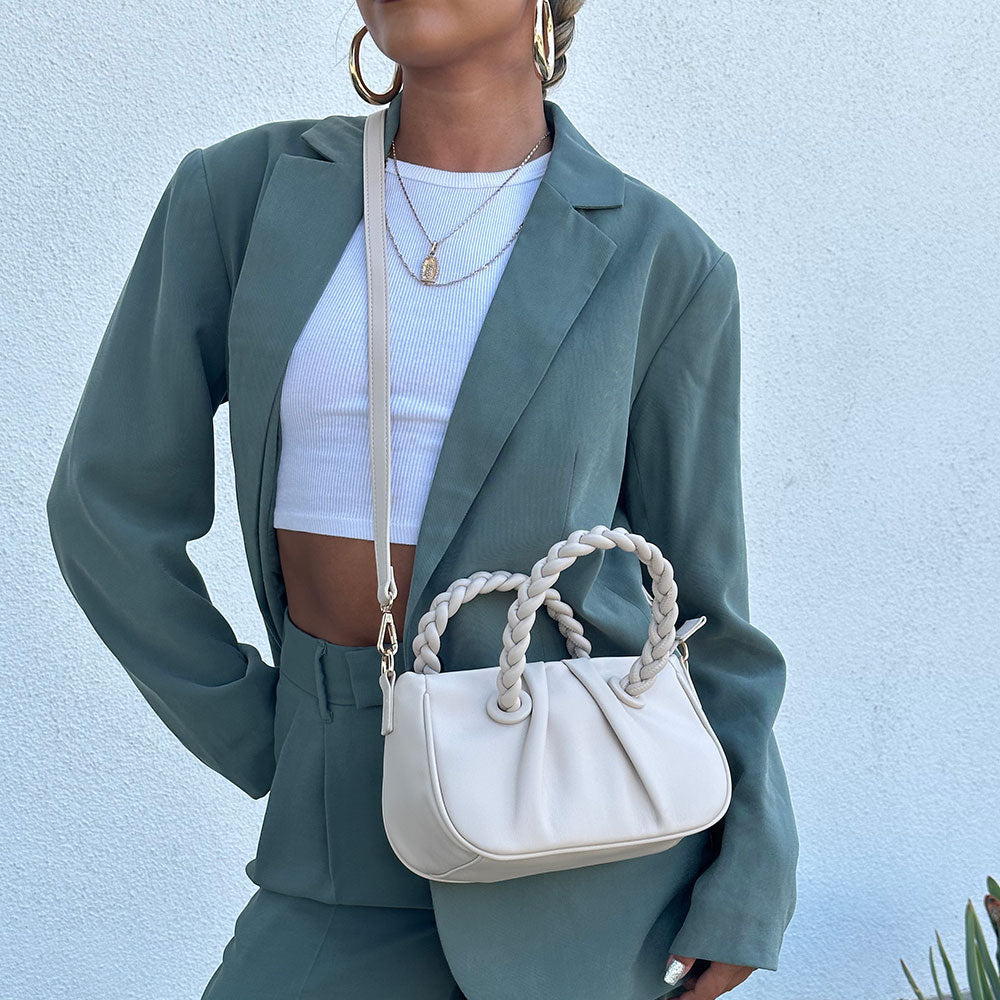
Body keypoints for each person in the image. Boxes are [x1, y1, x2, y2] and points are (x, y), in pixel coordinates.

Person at [46, 1, 799, 998]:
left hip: (584, 865)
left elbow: (705, 598)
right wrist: (263, 726)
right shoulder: (244, 195)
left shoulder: (662, 260)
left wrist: (752, 871)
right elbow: (104, 504)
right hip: (334, 852)